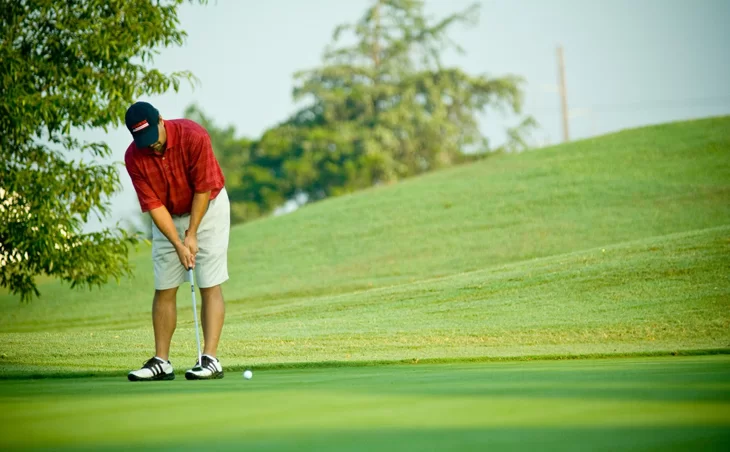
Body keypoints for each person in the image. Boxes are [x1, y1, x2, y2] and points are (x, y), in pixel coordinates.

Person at [123, 101, 230, 381]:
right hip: (167, 216)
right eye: (142, 141)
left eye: (152, 138)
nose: (151, 147)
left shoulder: (194, 136)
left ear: (160, 119)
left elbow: (203, 188)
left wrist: (192, 233)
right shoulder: (134, 156)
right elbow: (154, 205)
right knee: (165, 286)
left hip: (207, 209)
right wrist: (178, 243)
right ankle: (162, 361)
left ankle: (210, 359)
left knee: (208, 282)